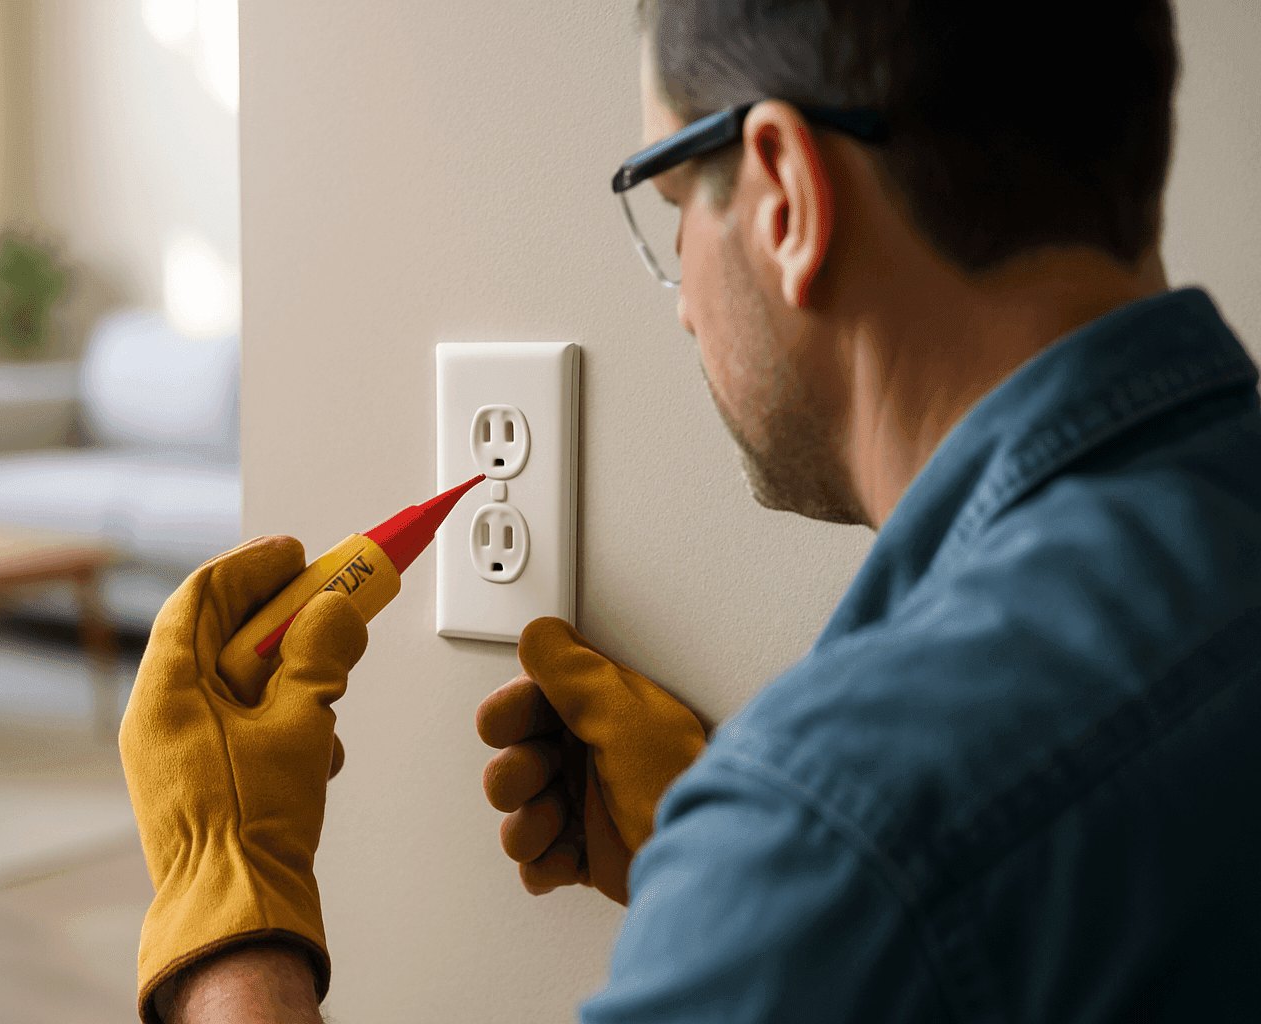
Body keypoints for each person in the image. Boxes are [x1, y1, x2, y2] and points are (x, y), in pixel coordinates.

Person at [117, 1, 1261, 1021]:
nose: (680, 309)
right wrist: (716, 867)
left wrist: (228, 900)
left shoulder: (841, 833)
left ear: (784, 196)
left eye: (671, 210)